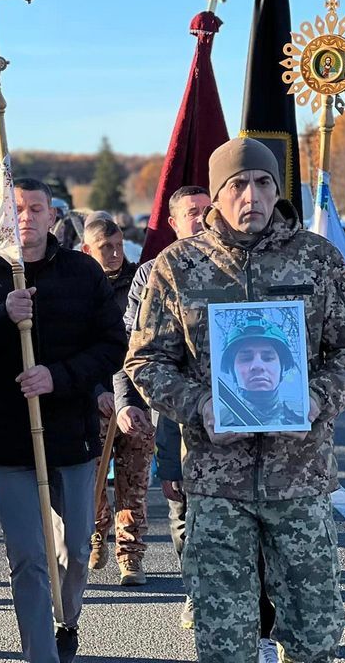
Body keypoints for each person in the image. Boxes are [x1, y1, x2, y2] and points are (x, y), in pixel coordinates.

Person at [125, 138, 345, 663]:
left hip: (300, 475)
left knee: (315, 633)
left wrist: (315, 398)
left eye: (263, 183)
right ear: (216, 195)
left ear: (276, 189)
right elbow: (145, 362)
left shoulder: (317, 259)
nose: (252, 195)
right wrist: (201, 405)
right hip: (217, 482)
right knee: (223, 639)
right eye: (237, 184)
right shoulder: (178, 267)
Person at [0, 178, 128, 663]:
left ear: (53, 216)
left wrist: (59, 377)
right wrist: (1, 316)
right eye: (16, 209)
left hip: (72, 437)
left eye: (35, 208)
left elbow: (114, 345)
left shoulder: (83, 273)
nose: (25, 217)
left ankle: (67, 618)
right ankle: (40, 655)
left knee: (76, 551)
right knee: (28, 558)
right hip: (9, 438)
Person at [112, 184, 211, 629]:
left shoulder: (238, 264)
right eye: (192, 212)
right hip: (175, 410)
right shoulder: (152, 273)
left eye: (208, 210)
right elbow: (134, 347)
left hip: (236, 406)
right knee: (182, 506)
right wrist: (126, 401)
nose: (202, 219)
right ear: (172, 222)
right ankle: (195, 591)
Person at [79, 217, 152, 588]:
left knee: (133, 480)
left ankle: (131, 554)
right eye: (106, 247)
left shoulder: (140, 282)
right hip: (94, 401)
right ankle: (96, 534)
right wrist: (98, 393)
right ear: (87, 249)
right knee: (90, 479)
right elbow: (75, 348)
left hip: (138, 399)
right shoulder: (78, 286)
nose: (114, 253)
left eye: (119, 245)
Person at [217, 314, 306, 429]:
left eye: (268, 358)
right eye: (246, 358)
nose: (257, 366)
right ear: (232, 371)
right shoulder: (216, 419)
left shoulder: (303, 416)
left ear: (282, 368)